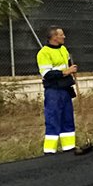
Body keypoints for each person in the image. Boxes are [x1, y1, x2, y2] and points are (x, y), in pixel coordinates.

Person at [36, 26, 78, 154]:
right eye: (62, 35)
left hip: (65, 88)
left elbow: (68, 63)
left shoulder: (63, 49)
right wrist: (67, 72)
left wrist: (72, 68)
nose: (64, 37)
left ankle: (69, 147)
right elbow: (47, 74)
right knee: (53, 118)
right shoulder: (44, 53)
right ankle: (50, 151)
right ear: (54, 37)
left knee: (67, 118)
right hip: (53, 90)